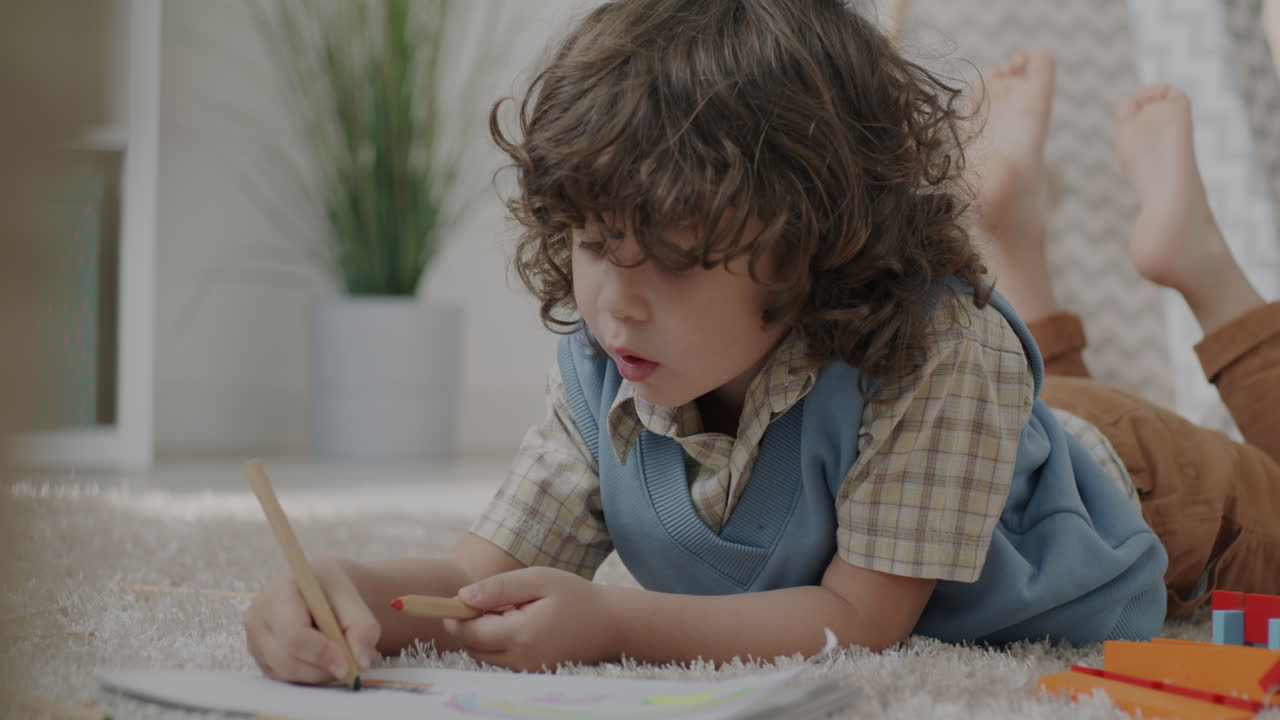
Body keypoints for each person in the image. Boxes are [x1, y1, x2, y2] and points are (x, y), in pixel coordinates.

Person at [243, 0, 1280, 684]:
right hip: (1003, 435)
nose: (618, 304)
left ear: (821, 245)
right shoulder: (606, 364)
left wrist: (613, 628)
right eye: (596, 245)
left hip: (1142, 490)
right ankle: (1014, 233)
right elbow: (474, 576)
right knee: (1037, 399)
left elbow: (861, 619)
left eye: (678, 262)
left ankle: (1202, 270)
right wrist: (343, 584)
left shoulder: (938, 354)